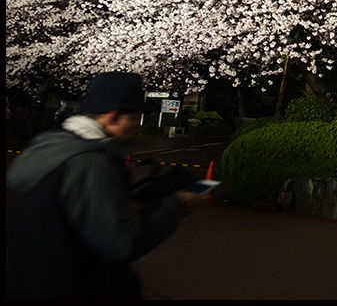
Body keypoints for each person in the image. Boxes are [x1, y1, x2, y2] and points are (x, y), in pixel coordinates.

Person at [5, 72, 204, 300]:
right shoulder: (89, 162)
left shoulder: (47, 146)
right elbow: (121, 242)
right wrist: (176, 205)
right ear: (114, 117)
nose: (138, 126)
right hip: (72, 287)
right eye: (135, 117)